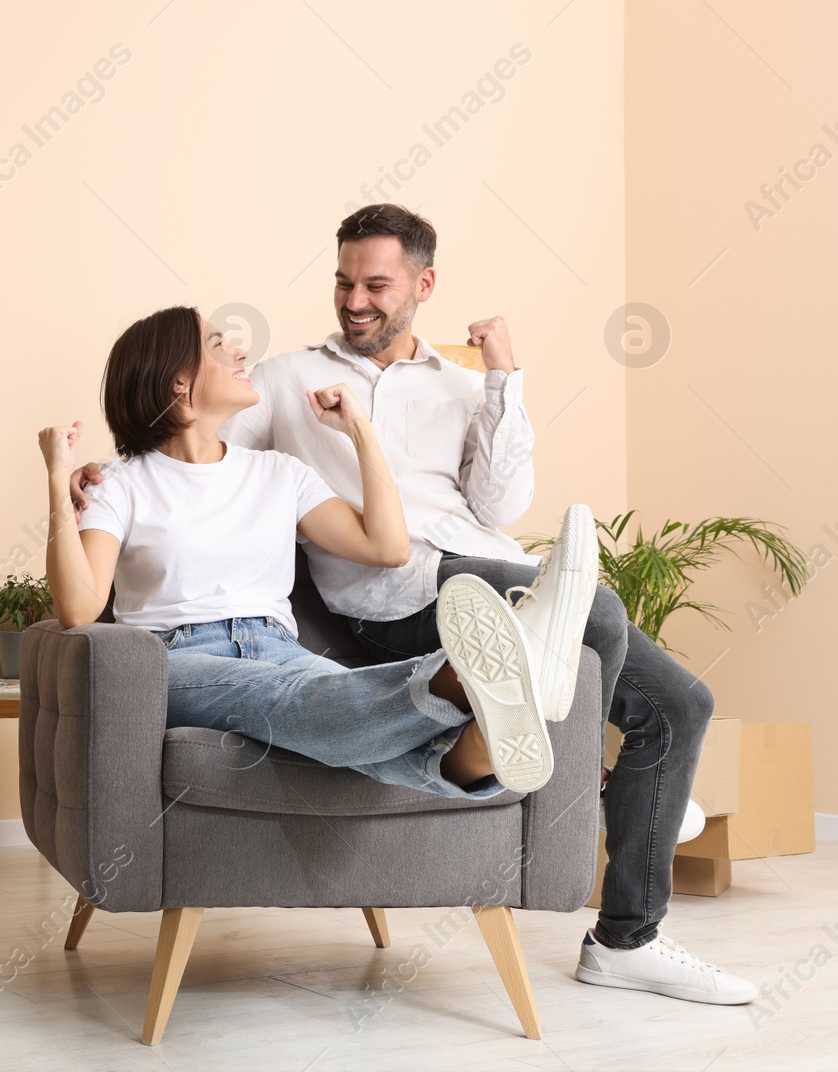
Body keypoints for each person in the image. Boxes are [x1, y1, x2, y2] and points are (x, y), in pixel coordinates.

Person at [70, 205, 753, 1005]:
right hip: (397, 600)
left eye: (376, 285)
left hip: (486, 570)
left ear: (423, 285)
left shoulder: (464, 387)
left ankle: (625, 940)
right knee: (591, 610)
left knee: (682, 705)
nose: (355, 300)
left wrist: (503, 379)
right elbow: (184, 438)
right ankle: (588, 782)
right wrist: (94, 482)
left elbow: (501, 500)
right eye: (343, 282)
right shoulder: (287, 380)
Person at [39, 304, 595, 805]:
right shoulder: (120, 484)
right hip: (176, 659)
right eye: (216, 344)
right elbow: (79, 610)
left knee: (312, 710)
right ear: (179, 383)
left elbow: (388, 547)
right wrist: (57, 482)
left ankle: (475, 751)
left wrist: (360, 432)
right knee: (287, 697)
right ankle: (459, 678)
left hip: (277, 647)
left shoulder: (280, 473)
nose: (239, 351)